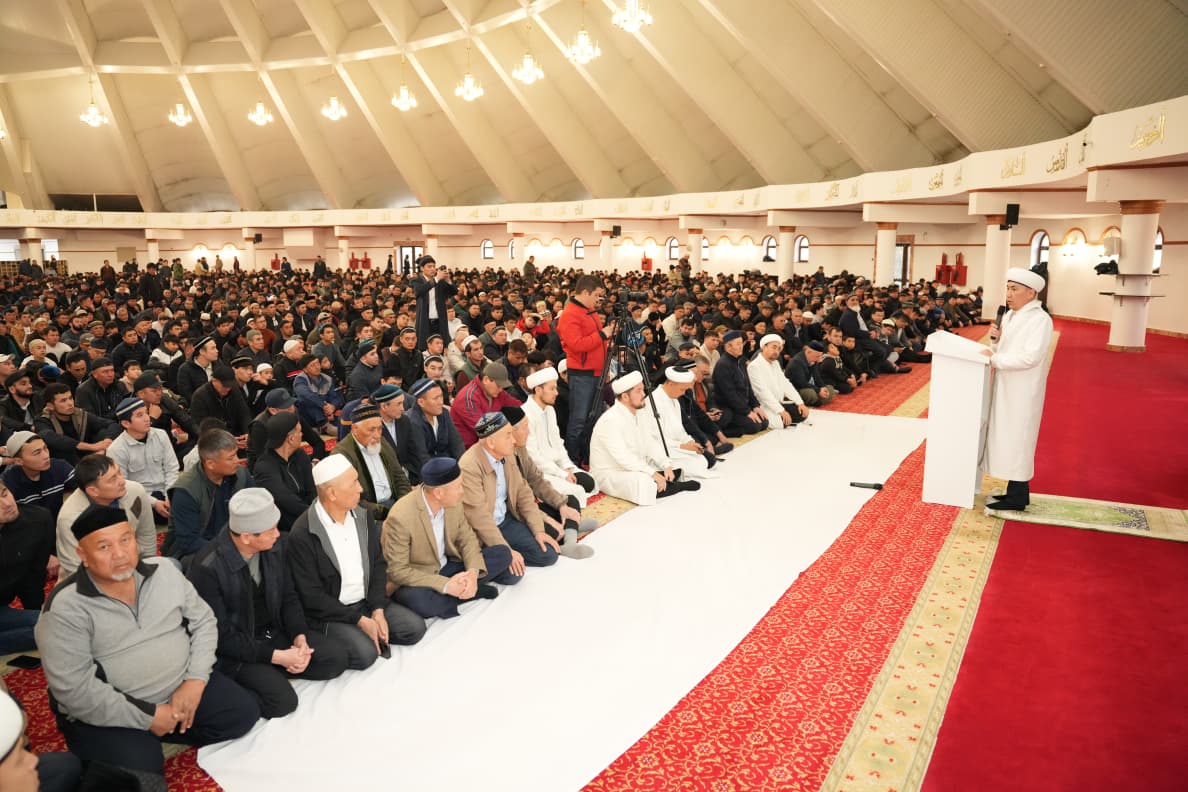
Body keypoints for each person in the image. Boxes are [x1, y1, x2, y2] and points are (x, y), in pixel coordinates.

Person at [36, 504, 260, 777]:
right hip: (115, 707)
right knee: (141, 770)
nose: (120, 554)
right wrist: (150, 717)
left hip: (179, 685)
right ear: (82, 555)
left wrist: (195, 681)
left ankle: (165, 726)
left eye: (125, 540)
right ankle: (140, 736)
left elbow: (204, 622)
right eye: (104, 547)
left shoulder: (164, 570)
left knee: (242, 714)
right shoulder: (65, 607)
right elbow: (76, 691)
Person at [188, 489, 349, 719]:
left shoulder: (276, 545)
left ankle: (275, 669)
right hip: (238, 648)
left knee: (336, 658)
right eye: (271, 529)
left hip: (274, 632)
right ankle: (266, 673)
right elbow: (221, 636)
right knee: (283, 702)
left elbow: (288, 597)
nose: (277, 533)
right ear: (246, 537)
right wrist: (277, 657)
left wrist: (299, 637)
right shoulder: (207, 568)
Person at [288, 456, 426, 670]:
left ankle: (369, 629)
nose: (360, 488)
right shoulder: (303, 533)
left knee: (414, 628)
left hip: (367, 601)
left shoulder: (363, 514)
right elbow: (312, 596)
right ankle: (354, 634)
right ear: (332, 493)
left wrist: (377, 609)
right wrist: (359, 620)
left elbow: (378, 564)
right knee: (366, 655)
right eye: (353, 483)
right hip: (333, 612)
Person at [381, 458, 518, 619]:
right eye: (458, 486)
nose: (462, 491)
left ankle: (462, 589)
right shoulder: (400, 517)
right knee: (416, 600)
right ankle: (466, 593)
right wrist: (445, 585)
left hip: (448, 566)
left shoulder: (454, 502)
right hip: (421, 578)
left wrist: (472, 573)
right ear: (438, 493)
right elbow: (398, 571)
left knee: (503, 553)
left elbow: (467, 539)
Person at [982, 267, 1055, 512]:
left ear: (1031, 293)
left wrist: (995, 360)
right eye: (1007, 288)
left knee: (1019, 438)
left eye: (1014, 289)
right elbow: (1003, 348)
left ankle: (1018, 495)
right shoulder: (1011, 315)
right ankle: (1014, 491)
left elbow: (1031, 357)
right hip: (1005, 383)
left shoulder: (1040, 320)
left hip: (1023, 389)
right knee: (1006, 437)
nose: (1008, 294)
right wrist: (995, 340)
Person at [460, 412, 559, 577]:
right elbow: (479, 518)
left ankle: (506, 556)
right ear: (491, 443)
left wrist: (539, 530)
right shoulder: (469, 467)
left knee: (548, 554)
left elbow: (523, 494)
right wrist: (506, 550)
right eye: (508, 436)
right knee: (512, 575)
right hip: (480, 533)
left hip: (505, 521)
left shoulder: (507, 454)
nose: (514, 440)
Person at [589, 371, 700, 505]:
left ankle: (665, 480)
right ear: (625, 396)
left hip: (633, 467)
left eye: (643, 390)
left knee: (671, 465)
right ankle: (678, 486)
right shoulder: (610, 420)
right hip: (610, 473)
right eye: (639, 391)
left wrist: (665, 464)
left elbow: (649, 442)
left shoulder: (639, 413)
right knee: (644, 482)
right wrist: (652, 473)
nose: (644, 394)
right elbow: (623, 457)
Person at [499, 406, 596, 560]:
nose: (529, 432)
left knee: (570, 500)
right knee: (550, 530)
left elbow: (536, 479)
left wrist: (561, 506)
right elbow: (518, 505)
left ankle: (569, 538)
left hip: (529, 507)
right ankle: (570, 529)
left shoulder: (520, 449)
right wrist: (546, 518)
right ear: (511, 432)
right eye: (525, 427)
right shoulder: (503, 458)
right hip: (517, 515)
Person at [57, 454, 158, 580]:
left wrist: (147, 574)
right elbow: (76, 568)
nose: (122, 481)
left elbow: (146, 534)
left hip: (133, 566)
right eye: (113, 479)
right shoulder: (70, 518)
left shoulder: (135, 491)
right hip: (91, 580)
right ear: (93, 491)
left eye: (119, 473)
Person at [163, 429, 253, 562]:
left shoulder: (241, 475)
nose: (237, 461)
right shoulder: (186, 491)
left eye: (236, 454)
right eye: (231, 458)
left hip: (235, 540)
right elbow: (189, 542)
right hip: (199, 549)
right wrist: (230, 549)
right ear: (210, 464)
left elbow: (256, 509)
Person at [556, 275, 614, 463]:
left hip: (596, 372)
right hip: (582, 374)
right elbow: (577, 345)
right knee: (579, 420)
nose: (598, 300)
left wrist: (604, 368)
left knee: (594, 419)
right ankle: (573, 461)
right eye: (596, 295)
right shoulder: (570, 314)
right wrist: (602, 334)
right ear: (585, 292)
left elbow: (595, 342)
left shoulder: (589, 311)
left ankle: (589, 457)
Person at [522, 366, 598, 507]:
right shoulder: (526, 415)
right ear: (538, 390)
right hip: (540, 471)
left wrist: (566, 466)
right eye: (552, 389)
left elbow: (558, 442)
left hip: (558, 466)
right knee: (574, 495)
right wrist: (561, 473)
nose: (556, 393)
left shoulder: (550, 410)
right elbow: (533, 457)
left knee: (588, 482)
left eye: (556, 388)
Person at [332, 403, 411, 520]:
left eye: (380, 429)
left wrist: (403, 503)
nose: (377, 435)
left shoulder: (381, 442)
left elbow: (399, 476)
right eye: (371, 430)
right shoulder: (342, 454)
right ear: (355, 429)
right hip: (368, 515)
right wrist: (387, 513)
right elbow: (350, 499)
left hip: (396, 505)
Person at [0, 480, 53, 655]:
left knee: (56, 624)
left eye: (5, 494)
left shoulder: (37, 520)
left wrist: (39, 615)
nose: (7, 504)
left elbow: (33, 577)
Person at [106, 396, 179, 519]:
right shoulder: (116, 449)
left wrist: (170, 496)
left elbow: (172, 469)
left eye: (146, 412)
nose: (147, 418)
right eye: (140, 415)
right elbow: (123, 485)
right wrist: (154, 503)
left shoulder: (161, 435)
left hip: (166, 490)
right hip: (140, 496)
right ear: (126, 423)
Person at [646, 367, 716, 479]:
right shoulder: (653, 402)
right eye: (682, 389)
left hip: (676, 446)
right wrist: (683, 446)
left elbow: (679, 429)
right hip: (662, 449)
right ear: (671, 384)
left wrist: (690, 442)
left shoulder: (674, 399)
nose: (683, 393)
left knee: (707, 459)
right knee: (701, 462)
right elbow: (655, 439)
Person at [251, 412, 316, 532]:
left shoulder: (300, 455)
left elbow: (311, 489)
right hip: (284, 528)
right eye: (299, 431)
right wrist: (316, 515)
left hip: (309, 516)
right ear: (291, 439)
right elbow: (286, 501)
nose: (302, 435)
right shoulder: (265, 467)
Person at [34, 382, 113, 465]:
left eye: (70, 398)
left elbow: (111, 424)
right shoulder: (42, 420)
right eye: (63, 401)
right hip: (63, 463)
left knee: (103, 433)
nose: (70, 403)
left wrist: (107, 442)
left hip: (86, 455)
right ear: (50, 406)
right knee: (63, 450)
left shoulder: (79, 414)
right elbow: (48, 436)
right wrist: (92, 447)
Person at [1, 431, 75, 517]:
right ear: (18, 461)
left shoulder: (60, 466)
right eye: (37, 453)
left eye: (45, 448)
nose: (46, 456)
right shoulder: (8, 483)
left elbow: (82, 485)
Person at [405, 378, 465, 483]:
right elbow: (422, 458)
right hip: (426, 474)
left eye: (441, 396)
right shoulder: (413, 422)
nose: (440, 402)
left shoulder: (444, 414)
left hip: (447, 465)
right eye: (435, 398)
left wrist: (464, 466)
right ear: (421, 402)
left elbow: (457, 444)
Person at [451, 362, 521, 447]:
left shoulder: (496, 392)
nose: (501, 390)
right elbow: (483, 428)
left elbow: (517, 405)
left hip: (488, 441)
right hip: (468, 448)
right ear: (486, 380)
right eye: (498, 386)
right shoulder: (468, 398)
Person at [747, 334, 809, 429]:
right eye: (774, 347)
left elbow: (786, 384)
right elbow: (762, 393)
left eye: (779, 349)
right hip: (762, 405)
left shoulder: (775, 363)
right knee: (780, 423)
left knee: (801, 413)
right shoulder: (754, 366)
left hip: (777, 402)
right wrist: (781, 411)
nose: (776, 351)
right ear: (764, 347)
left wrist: (800, 403)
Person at [712, 330, 767, 436]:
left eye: (741, 343)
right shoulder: (723, 365)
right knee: (755, 426)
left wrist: (755, 406)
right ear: (728, 347)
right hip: (729, 408)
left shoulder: (740, 361)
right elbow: (730, 395)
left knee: (764, 422)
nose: (741, 346)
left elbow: (748, 387)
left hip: (742, 405)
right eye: (738, 344)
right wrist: (747, 412)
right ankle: (726, 431)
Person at [410, 256, 458, 346]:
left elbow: (454, 292)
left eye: (434, 266)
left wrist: (448, 280)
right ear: (422, 268)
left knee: (440, 346)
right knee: (424, 346)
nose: (432, 269)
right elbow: (420, 291)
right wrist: (436, 279)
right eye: (429, 266)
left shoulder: (441, 281)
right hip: (425, 320)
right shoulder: (417, 281)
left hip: (440, 320)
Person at [785, 341, 836, 406]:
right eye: (817, 356)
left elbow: (817, 377)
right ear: (809, 352)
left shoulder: (813, 359)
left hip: (810, 386)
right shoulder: (796, 362)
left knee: (830, 389)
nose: (819, 359)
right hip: (797, 388)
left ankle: (817, 401)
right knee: (810, 394)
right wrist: (818, 390)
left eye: (820, 356)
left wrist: (822, 387)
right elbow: (802, 383)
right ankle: (817, 401)